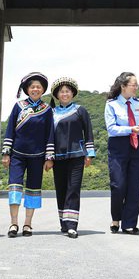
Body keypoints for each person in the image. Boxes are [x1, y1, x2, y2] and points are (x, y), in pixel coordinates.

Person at [1, 72, 55, 238]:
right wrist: (6, 153)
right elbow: (10, 130)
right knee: (15, 188)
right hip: (17, 154)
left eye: (39, 87)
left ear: (43, 89)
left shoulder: (47, 110)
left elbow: (50, 134)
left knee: (33, 189)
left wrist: (49, 157)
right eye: (32, 87)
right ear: (27, 89)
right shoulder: (19, 106)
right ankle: (14, 223)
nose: (35, 89)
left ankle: (28, 224)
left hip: (38, 156)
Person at [49, 76, 96, 239]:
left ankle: (72, 225)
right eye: (61, 91)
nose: (64, 94)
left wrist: (89, 153)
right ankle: (63, 221)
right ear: (57, 94)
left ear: (73, 93)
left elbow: (88, 131)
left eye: (67, 91)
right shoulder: (52, 113)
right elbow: (49, 137)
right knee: (61, 189)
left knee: (73, 189)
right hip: (58, 157)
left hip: (77, 155)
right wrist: (48, 156)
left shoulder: (80, 110)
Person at [105, 72, 139, 234]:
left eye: (137, 85)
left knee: (135, 185)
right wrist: (131, 129)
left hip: (137, 144)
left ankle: (129, 223)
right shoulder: (111, 105)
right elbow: (111, 128)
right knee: (118, 184)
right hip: (118, 145)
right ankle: (116, 218)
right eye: (133, 85)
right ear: (123, 86)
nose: (136, 88)